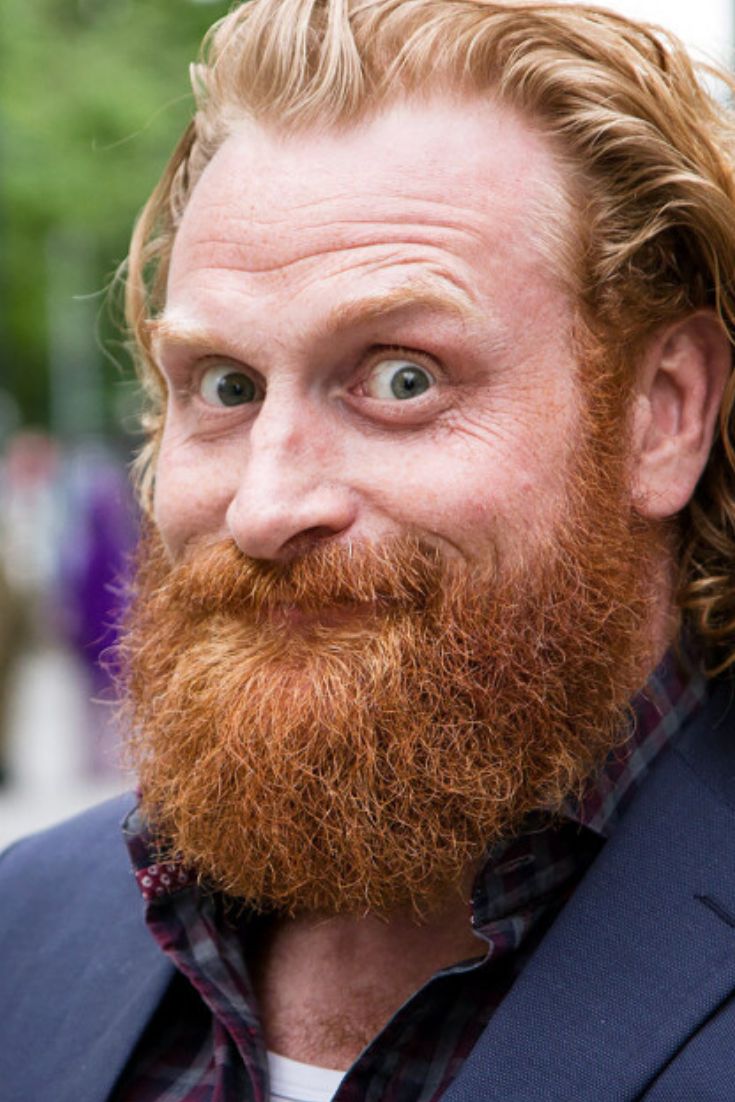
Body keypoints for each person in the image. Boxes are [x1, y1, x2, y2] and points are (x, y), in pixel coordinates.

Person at [2, 1, 735, 1098]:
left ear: (661, 411)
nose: (265, 504)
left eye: (403, 378)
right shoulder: (26, 931)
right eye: (225, 386)